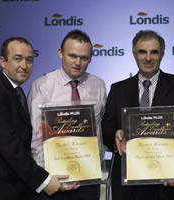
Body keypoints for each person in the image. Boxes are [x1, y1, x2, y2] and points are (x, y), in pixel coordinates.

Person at [0, 37, 76, 200]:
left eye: (29, 60)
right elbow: (9, 145)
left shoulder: (16, 93)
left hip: (11, 189)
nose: (24, 66)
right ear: (3, 62)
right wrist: (44, 181)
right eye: (17, 59)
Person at [101, 30, 174, 200]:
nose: (148, 57)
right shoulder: (118, 89)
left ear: (162, 55)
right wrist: (116, 137)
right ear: (134, 54)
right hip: (127, 184)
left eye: (154, 52)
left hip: (168, 182)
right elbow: (106, 130)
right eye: (142, 52)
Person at [28, 30, 107, 200]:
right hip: (53, 181)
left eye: (84, 58)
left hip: (88, 180)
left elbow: (101, 129)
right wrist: (48, 177)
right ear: (60, 53)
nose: (78, 62)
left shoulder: (98, 85)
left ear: (90, 58)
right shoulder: (42, 86)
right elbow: (36, 138)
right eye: (72, 56)